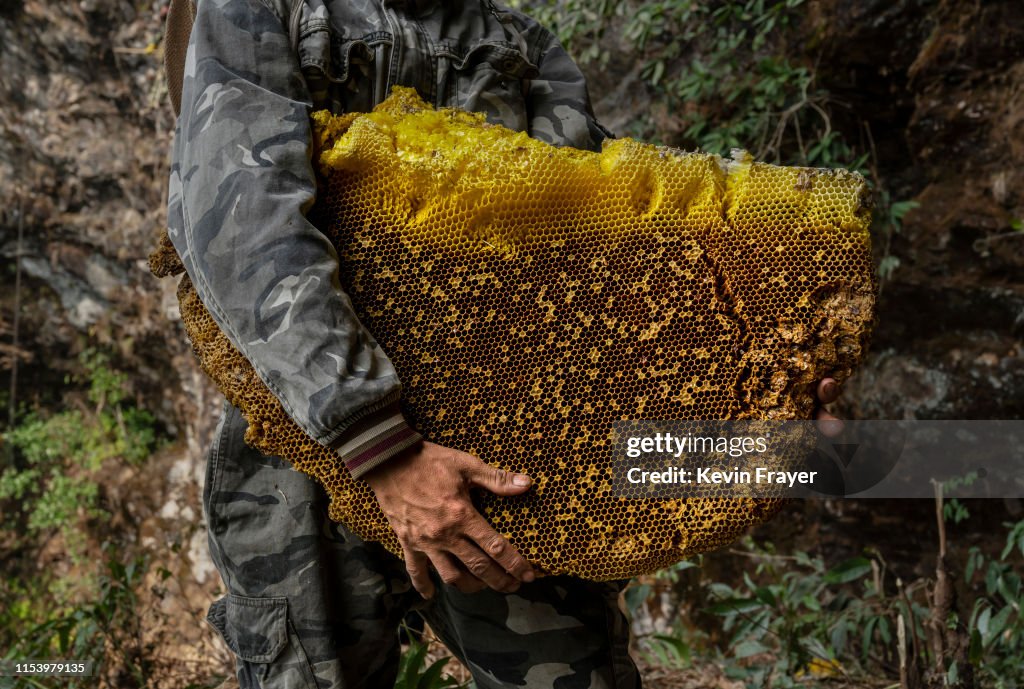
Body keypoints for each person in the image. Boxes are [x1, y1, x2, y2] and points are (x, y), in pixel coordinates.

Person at [166, 0, 844, 686]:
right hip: (306, 447)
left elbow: (602, 244)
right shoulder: (265, 7)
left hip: (508, 460)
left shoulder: (518, 42)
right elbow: (238, 216)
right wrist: (378, 445)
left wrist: (767, 373)